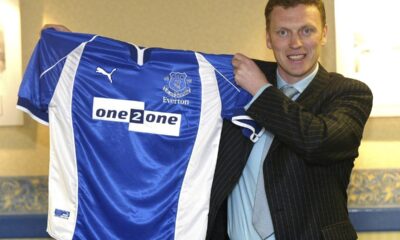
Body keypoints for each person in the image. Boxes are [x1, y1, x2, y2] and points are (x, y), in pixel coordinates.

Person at [206, 0, 373, 239]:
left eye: (307, 30)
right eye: (283, 32)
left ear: (323, 34)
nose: (295, 43)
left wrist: (262, 91)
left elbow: (318, 141)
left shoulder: (348, 93)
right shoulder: (235, 89)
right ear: (268, 38)